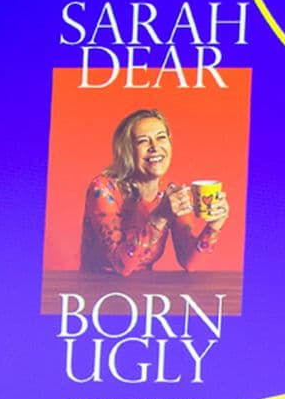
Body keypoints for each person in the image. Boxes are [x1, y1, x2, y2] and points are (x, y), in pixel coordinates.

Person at [79, 108, 229, 275]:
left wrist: (215, 224)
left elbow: (189, 262)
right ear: (127, 150)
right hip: (98, 292)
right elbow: (121, 265)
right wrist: (159, 217)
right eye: (143, 141)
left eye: (161, 138)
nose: (155, 147)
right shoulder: (103, 189)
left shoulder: (169, 195)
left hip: (146, 293)